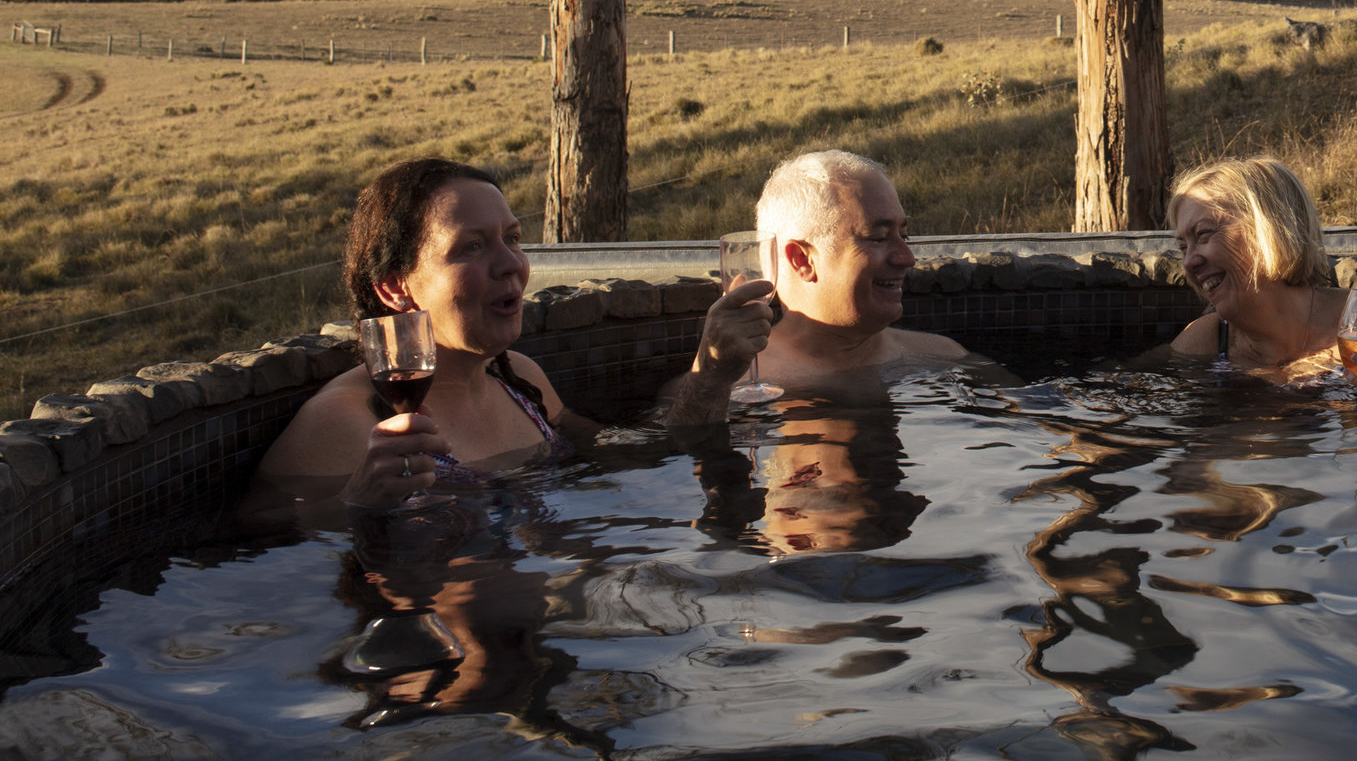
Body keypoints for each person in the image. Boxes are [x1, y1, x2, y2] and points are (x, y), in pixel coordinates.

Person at [257, 159, 590, 514]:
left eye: (512, 238)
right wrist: (357, 501)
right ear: (394, 287)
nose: (511, 263)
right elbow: (258, 532)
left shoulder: (519, 379)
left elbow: (611, 449)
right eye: (472, 247)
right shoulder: (349, 420)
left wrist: (658, 416)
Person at [666, 149, 966, 422]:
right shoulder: (720, 388)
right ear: (802, 260)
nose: (907, 258)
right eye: (877, 238)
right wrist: (710, 380)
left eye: (904, 235)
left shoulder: (942, 358)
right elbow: (677, 461)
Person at [1161, 156, 1357, 391]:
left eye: (1203, 235)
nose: (1189, 262)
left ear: (1267, 231)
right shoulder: (1205, 342)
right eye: (1183, 247)